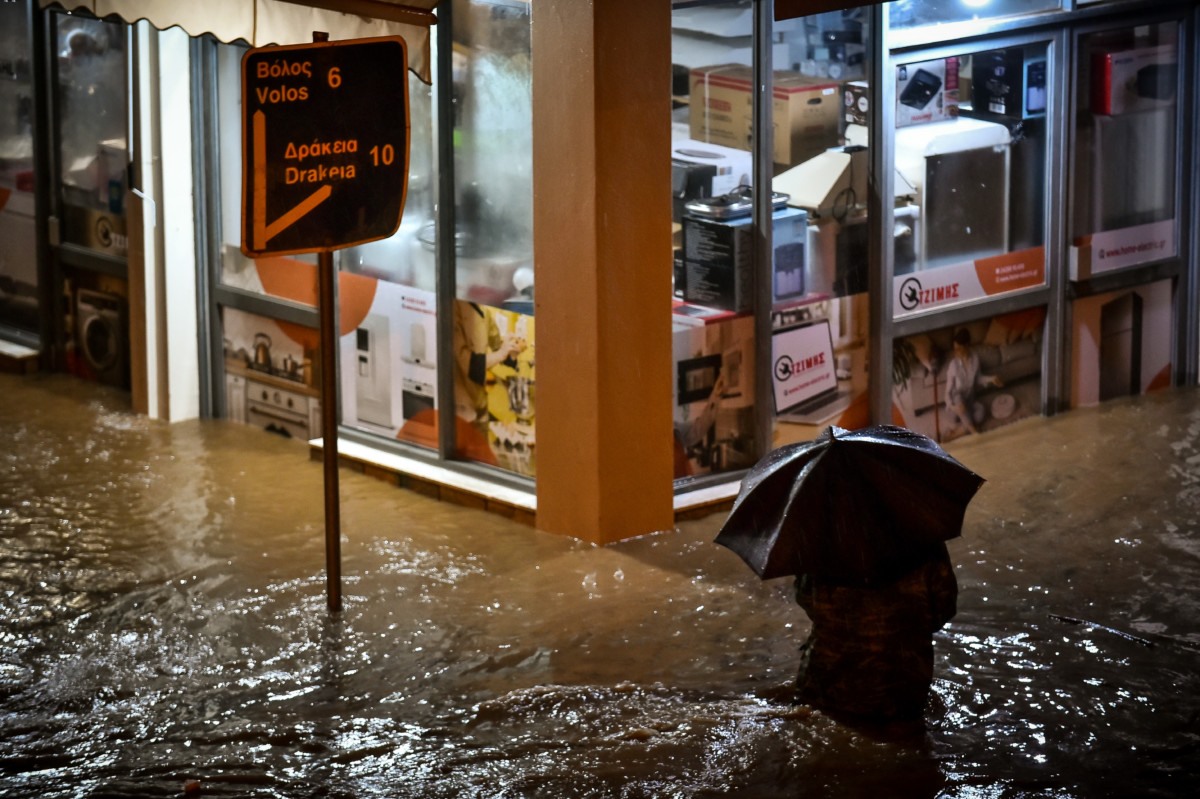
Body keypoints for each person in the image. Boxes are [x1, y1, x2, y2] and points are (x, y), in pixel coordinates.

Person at [793, 542, 958, 721]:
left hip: (828, 680)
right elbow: (943, 608)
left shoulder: (819, 544)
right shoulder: (925, 542)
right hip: (902, 684)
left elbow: (806, 600)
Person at [944, 327, 1002, 436]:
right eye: (955, 349)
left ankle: (959, 431)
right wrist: (954, 407)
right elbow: (948, 392)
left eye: (959, 348)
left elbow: (978, 378)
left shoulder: (975, 359)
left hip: (969, 401)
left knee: (981, 413)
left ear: (967, 346)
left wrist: (991, 379)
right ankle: (974, 432)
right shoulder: (953, 365)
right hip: (955, 408)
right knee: (957, 396)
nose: (956, 352)